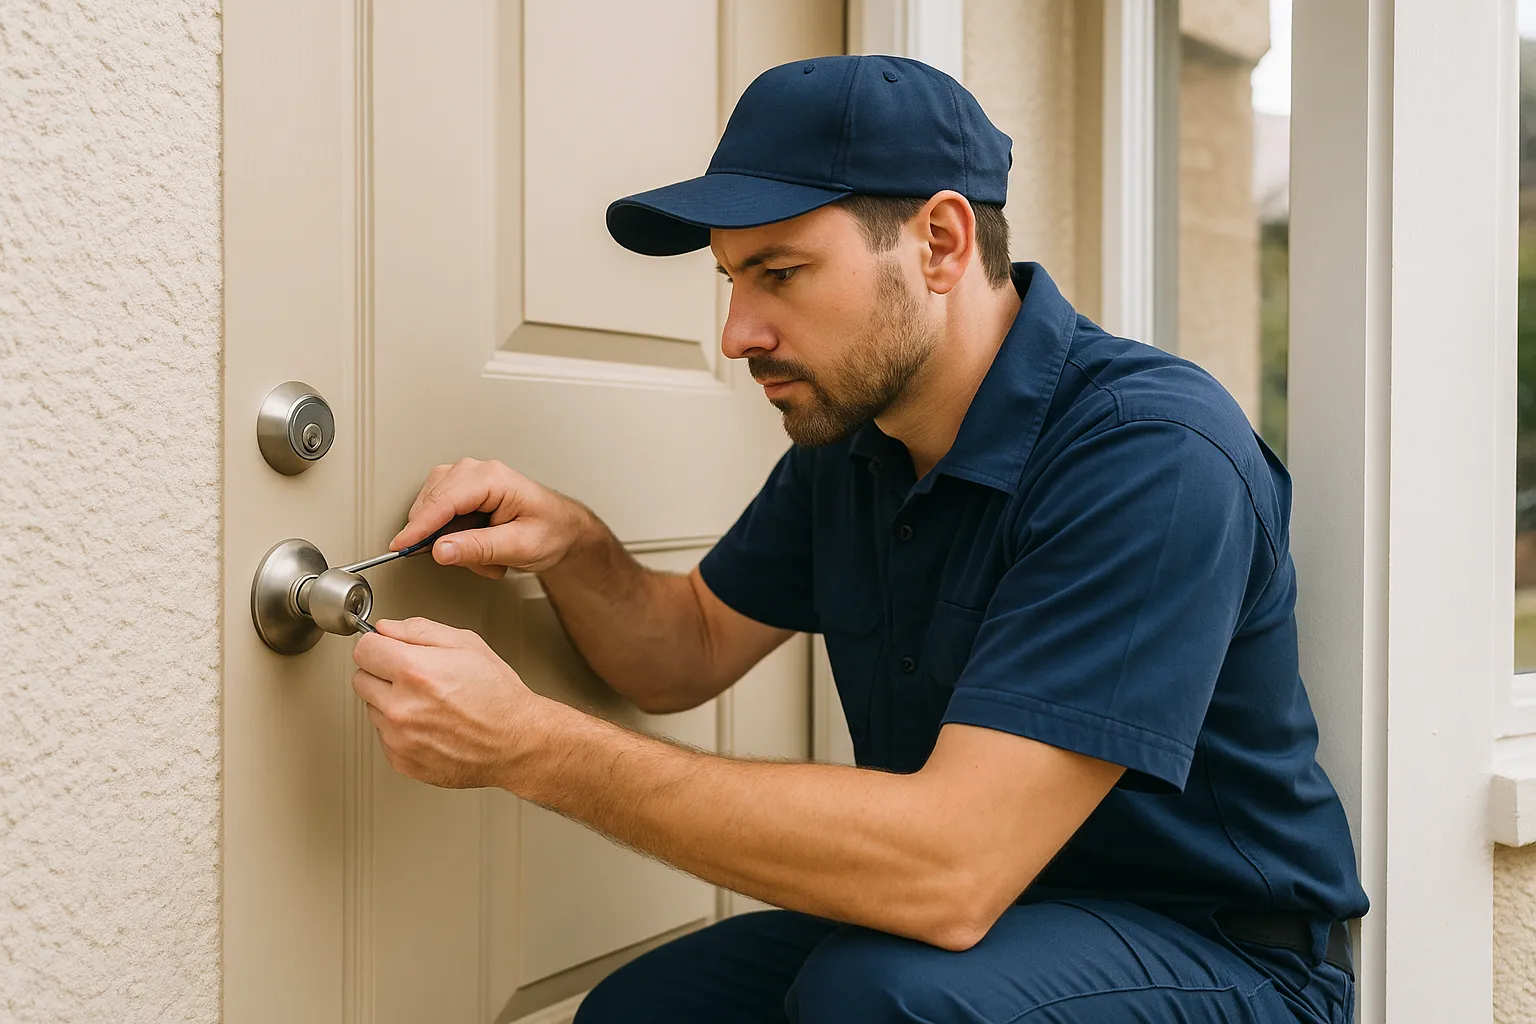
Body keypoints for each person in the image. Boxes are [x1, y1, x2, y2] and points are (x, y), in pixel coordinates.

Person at [349, 54, 1368, 1023]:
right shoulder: (859, 440)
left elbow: (953, 867)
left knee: (879, 996)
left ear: (941, 243)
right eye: (732, 279)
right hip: (993, 919)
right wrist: (574, 544)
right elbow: (685, 648)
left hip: (1218, 953)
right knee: (651, 1008)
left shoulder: (1147, 453)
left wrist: (532, 747)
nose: (738, 334)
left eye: (782, 272)